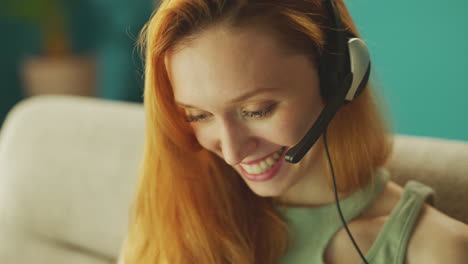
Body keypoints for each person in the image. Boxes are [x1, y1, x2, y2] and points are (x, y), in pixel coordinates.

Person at [121, 0, 468, 263]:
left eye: (257, 110)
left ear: (340, 77)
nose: (232, 152)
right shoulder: (176, 214)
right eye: (198, 116)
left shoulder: (437, 249)